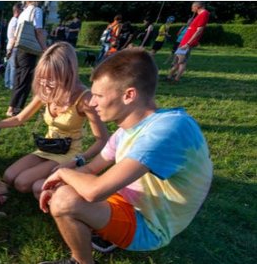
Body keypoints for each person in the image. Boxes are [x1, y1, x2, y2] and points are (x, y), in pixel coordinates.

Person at [37, 49, 212, 264]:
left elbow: (94, 191)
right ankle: (100, 231)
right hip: (129, 202)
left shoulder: (168, 130)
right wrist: (59, 182)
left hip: (150, 225)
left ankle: (82, 262)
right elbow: (91, 169)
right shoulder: (129, 129)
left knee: (65, 201)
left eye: (99, 96)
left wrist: (63, 173)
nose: (92, 103)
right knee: (64, 191)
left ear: (129, 95)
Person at [0, 42, 108, 198]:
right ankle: (50, 179)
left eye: (51, 79)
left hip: (68, 153)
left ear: (67, 73)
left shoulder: (84, 99)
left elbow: (103, 139)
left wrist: (78, 160)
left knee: (22, 183)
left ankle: (63, 179)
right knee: (9, 177)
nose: (45, 84)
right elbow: (19, 118)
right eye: (43, 78)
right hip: (48, 147)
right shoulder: (47, 90)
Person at [6, 1, 46, 117]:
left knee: (18, 80)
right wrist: (44, 48)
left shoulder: (23, 13)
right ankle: (15, 108)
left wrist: (10, 49)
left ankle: (12, 108)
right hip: (29, 50)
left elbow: (16, 34)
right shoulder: (37, 11)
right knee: (25, 81)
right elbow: (38, 31)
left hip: (19, 50)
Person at [167, 2, 209, 83]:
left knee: (181, 62)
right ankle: (169, 77)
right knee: (177, 60)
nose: (191, 9)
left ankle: (176, 79)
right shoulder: (200, 15)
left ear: (198, 7)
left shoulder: (204, 14)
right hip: (183, 42)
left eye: (193, 7)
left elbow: (199, 31)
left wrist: (188, 44)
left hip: (185, 44)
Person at [4, 4, 22, 89]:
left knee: (8, 66)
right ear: (17, 11)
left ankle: (7, 82)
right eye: (21, 10)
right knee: (13, 67)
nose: (22, 11)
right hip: (13, 46)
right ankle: (11, 85)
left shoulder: (12, 20)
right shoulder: (16, 21)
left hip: (9, 45)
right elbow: (15, 35)